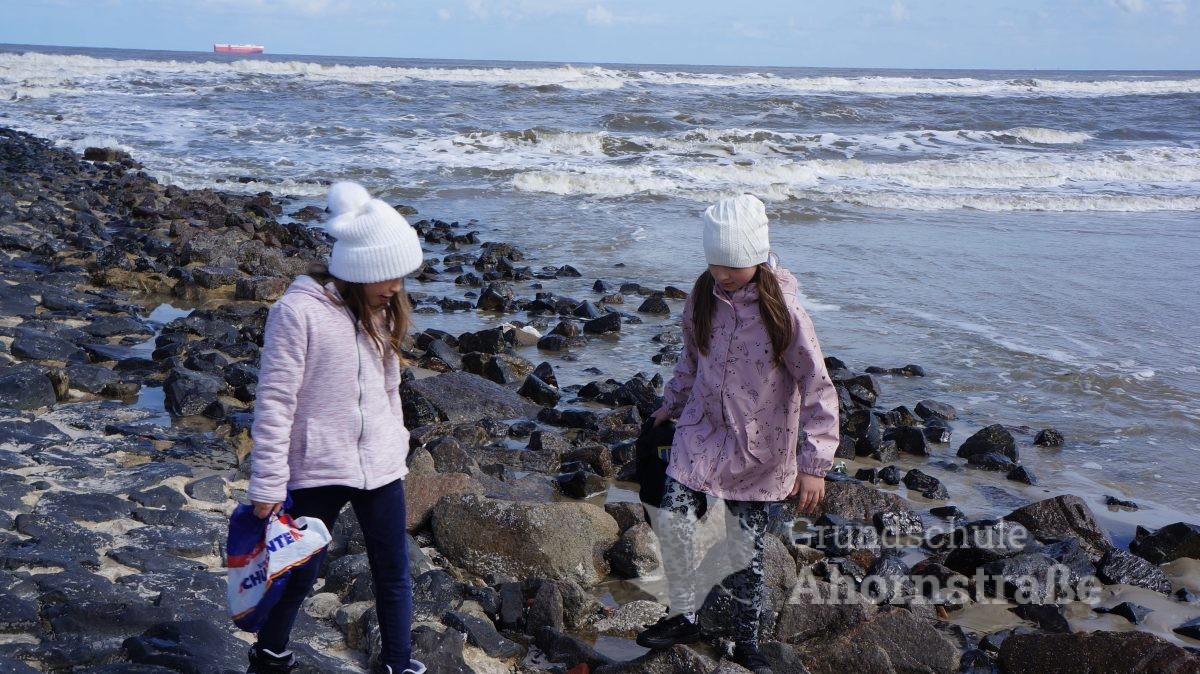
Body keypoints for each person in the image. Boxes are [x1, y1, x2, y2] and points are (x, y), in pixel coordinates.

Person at [635, 194, 839, 673]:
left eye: (734, 264)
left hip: (760, 445)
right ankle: (684, 613)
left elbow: (817, 386)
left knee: (746, 551)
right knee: (672, 517)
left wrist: (814, 465)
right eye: (715, 262)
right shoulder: (702, 296)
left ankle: (747, 640)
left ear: (757, 255)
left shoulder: (784, 311)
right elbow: (690, 359)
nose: (723, 273)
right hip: (701, 430)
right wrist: (671, 404)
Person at [244, 181, 426, 674]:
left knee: (394, 571)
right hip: (319, 466)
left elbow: (389, 387)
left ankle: (397, 664)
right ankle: (270, 655)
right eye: (389, 275)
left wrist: (397, 442)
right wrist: (267, 482)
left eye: (402, 275)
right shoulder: (297, 312)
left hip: (380, 467)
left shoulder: (381, 310)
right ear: (359, 269)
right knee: (299, 571)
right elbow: (275, 402)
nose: (397, 286)